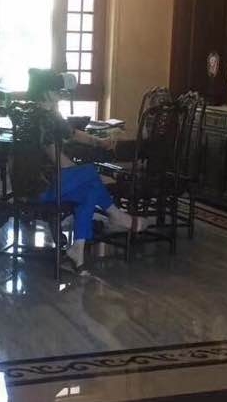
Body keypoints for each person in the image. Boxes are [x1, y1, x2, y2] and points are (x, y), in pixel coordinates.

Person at [19, 68, 139, 272]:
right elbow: (58, 159)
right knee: (91, 174)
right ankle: (117, 216)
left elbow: (72, 134)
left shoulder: (31, 113)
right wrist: (85, 168)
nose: (61, 92)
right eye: (56, 89)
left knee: (89, 192)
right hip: (42, 187)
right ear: (46, 93)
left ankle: (78, 249)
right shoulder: (46, 118)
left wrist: (97, 143)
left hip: (27, 184)